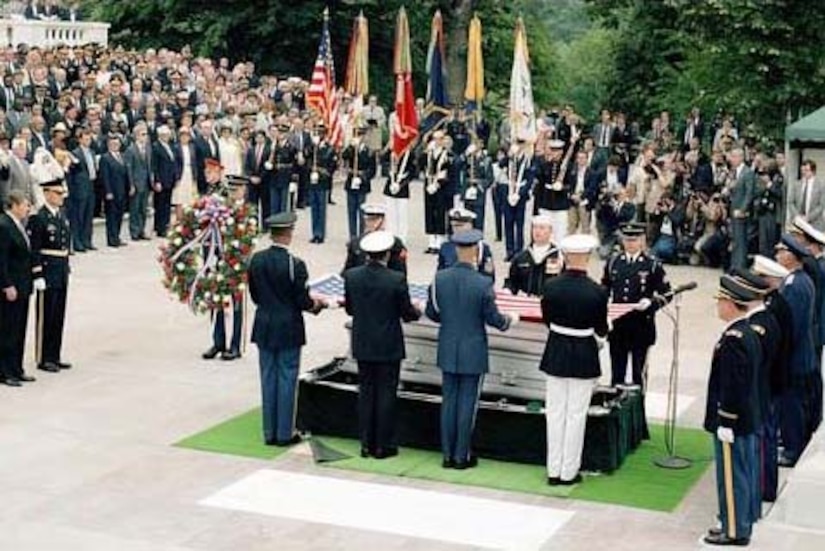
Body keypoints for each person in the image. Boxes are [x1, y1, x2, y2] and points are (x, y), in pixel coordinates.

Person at [425, 229, 515, 469]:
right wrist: (509, 320)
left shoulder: (439, 279)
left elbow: (432, 312)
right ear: (476, 251)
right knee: (467, 403)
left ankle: (447, 454)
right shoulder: (483, 283)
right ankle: (461, 455)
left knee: (449, 401)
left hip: (447, 345)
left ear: (456, 250)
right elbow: (494, 319)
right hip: (473, 349)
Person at [248, 211, 326, 445]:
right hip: (288, 326)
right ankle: (284, 433)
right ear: (289, 233)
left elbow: (254, 294)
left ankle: (269, 432)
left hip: (264, 324)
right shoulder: (295, 265)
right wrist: (317, 305)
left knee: (268, 377)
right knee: (287, 379)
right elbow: (302, 300)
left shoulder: (256, 260)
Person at [343, 230, 421, 458]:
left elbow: (350, 309)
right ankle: (383, 444)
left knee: (366, 394)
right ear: (387, 254)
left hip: (363, 342)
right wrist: (416, 309)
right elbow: (407, 314)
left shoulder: (352, 276)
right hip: (388, 344)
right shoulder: (395, 279)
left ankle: (366, 443)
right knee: (386, 395)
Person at [540, 233, 607, 485]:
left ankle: (553, 470)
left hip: (556, 350)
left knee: (554, 413)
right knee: (576, 415)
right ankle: (569, 471)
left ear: (566, 257)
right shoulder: (597, 292)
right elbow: (601, 328)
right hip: (583, 354)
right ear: (587, 258)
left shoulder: (551, 287)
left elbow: (547, 319)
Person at [702, 274, 762, 547]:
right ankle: (735, 522)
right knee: (741, 471)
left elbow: (733, 384)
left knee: (732, 476)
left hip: (733, 420)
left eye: (721, 301)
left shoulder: (735, 339)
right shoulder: (745, 332)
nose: (718, 307)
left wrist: (726, 419)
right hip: (744, 417)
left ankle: (736, 530)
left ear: (731, 304)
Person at [603, 223, 671, 389]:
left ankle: (638, 409)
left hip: (641, 325)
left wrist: (651, 303)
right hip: (618, 325)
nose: (630, 243)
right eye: (627, 239)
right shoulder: (614, 262)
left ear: (642, 241)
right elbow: (605, 287)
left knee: (638, 374)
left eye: (634, 240)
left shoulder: (652, 265)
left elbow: (667, 293)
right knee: (617, 372)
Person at [750, 255, 792, 503]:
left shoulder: (774, 308)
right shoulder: (774, 303)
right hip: (771, 379)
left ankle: (765, 487)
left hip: (770, 381)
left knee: (765, 435)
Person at [774, 233, 817, 467]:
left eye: (783, 251)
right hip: (796, 355)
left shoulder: (796, 284)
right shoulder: (794, 281)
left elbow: (794, 326)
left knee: (792, 405)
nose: (778, 255)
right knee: (790, 403)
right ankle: (790, 441)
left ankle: (793, 449)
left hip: (795, 357)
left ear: (793, 256)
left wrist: (780, 353)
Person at [28, 177, 72, 373]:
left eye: (62, 193)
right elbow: (35, 248)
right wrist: (37, 273)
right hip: (47, 269)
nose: (61, 197)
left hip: (60, 268)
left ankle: (54, 354)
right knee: (46, 315)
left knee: (58, 315)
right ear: (46, 194)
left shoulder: (61, 215)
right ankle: (43, 357)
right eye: (57, 193)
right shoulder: (39, 217)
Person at [0, 190, 36, 386]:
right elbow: (2, 260)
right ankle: (5, 371)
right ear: (13, 205)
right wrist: (7, 284)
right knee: (8, 329)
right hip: (11, 287)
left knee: (20, 328)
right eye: (24, 204)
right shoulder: (4, 226)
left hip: (23, 284)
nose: (27, 208)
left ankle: (17, 368)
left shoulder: (19, 224)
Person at [506, 214, 563, 296]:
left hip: (549, 303)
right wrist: (508, 290)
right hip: (526, 302)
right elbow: (512, 281)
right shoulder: (521, 258)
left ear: (550, 231)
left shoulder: (559, 257)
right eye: (535, 227)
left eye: (542, 228)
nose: (537, 231)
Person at [342, 203, 407, 275]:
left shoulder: (395, 243)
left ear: (383, 221)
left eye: (374, 220)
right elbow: (347, 272)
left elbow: (400, 273)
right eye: (368, 220)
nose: (371, 224)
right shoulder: (356, 243)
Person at [437, 207, 494, 279]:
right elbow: (439, 274)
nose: (456, 229)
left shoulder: (482, 248)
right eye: (454, 226)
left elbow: (489, 276)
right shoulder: (445, 247)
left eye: (460, 225)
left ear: (470, 225)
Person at [67, 128, 97, 252]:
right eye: (85, 139)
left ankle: (87, 240)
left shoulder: (92, 152)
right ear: (80, 140)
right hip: (79, 188)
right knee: (78, 216)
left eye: (89, 139)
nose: (88, 141)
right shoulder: (75, 153)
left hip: (91, 186)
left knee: (88, 216)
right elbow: (72, 173)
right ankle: (78, 242)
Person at [307, 121, 337, 244]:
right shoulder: (312, 147)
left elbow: (332, 166)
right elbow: (306, 157)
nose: (318, 135)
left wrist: (321, 171)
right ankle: (314, 233)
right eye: (317, 133)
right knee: (314, 208)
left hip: (323, 182)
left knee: (321, 208)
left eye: (321, 133)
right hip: (312, 181)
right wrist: (311, 147)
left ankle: (321, 234)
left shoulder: (329, 148)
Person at [99, 133, 130, 248]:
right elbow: (105, 176)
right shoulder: (105, 158)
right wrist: (108, 191)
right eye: (113, 144)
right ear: (108, 145)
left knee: (119, 215)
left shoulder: (122, 156)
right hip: (112, 191)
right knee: (111, 216)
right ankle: (111, 239)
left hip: (122, 191)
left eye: (117, 144)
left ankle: (117, 236)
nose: (115, 146)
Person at [124, 124, 153, 241]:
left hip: (146, 182)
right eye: (143, 134)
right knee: (134, 208)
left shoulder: (148, 148)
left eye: (146, 134)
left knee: (143, 208)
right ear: (136, 136)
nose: (145, 137)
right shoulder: (130, 150)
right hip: (136, 182)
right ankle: (134, 231)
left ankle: (142, 230)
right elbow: (129, 169)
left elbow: (150, 166)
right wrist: (131, 184)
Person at [152, 125, 178, 237]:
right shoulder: (156, 147)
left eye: (167, 135)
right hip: (161, 180)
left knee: (167, 204)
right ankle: (160, 227)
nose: (166, 137)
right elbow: (155, 166)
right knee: (160, 204)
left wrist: (175, 177)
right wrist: (157, 181)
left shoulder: (170, 146)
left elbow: (173, 163)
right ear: (160, 135)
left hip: (170, 179)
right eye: (164, 135)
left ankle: (166, 225)